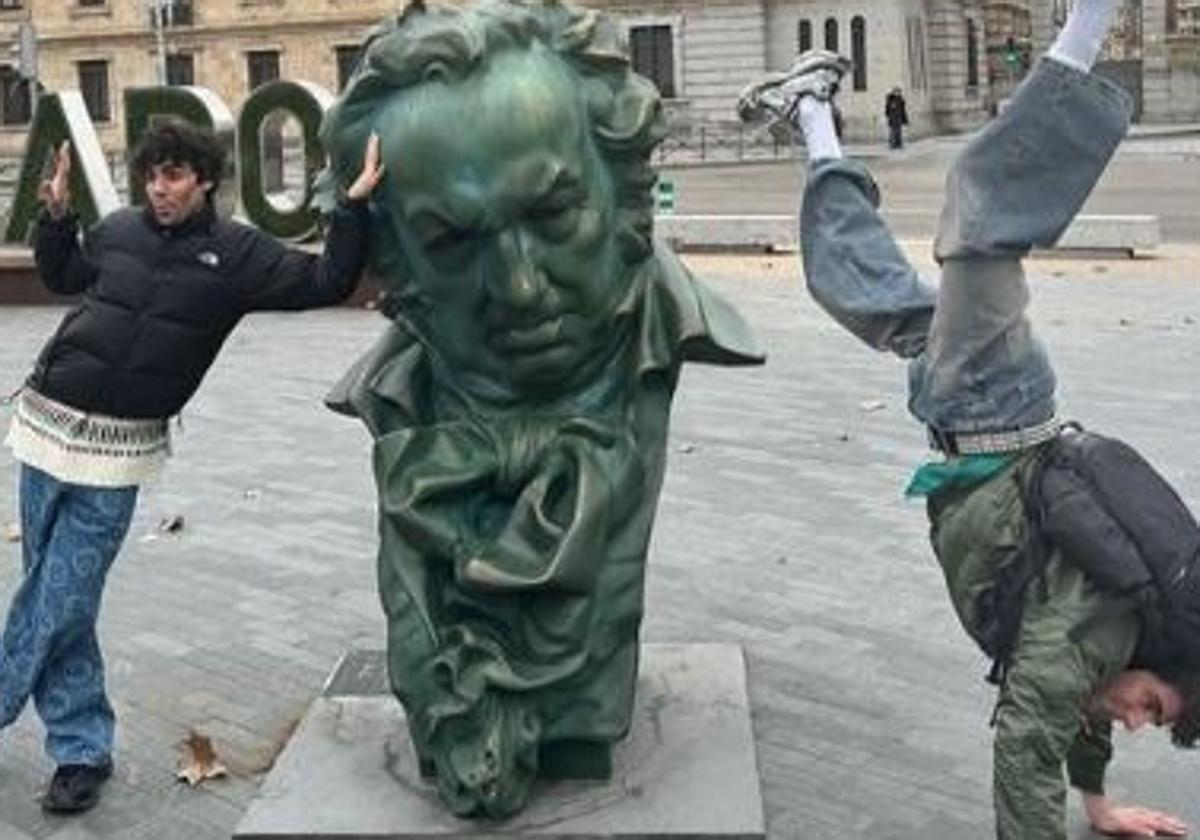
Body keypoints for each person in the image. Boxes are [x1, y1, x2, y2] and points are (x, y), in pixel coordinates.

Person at [737, 0, 1200, 836]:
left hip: (970, 407)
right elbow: (1028, 739)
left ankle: (811, 111)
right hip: (995, 398)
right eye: (1155, 709)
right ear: (1159, 666)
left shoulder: (1106, 649)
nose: (1137, 720)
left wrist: (1099, 807)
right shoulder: (1101, 632)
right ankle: (1090, 21)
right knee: (984, 211)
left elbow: (1079, 711)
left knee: (865, 292)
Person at [319, 0, 763, 818]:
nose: (521, 288)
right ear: (396, 257)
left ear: (625, 185)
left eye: (553, 213)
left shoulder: (646, 337)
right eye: (453, 242)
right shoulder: (397, 400)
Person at [0, 119, 383, 814]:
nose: (159, 189)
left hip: (117, 454)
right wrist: (55, 218)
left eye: (173, 176)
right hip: (43, 430)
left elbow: (327, 280)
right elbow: (66, 277)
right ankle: (81, 748)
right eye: (151, 176)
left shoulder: (238, 255)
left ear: (204, 178)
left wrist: (351, 207)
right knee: (59, 601)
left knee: (61, 595)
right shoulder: (118, 230)